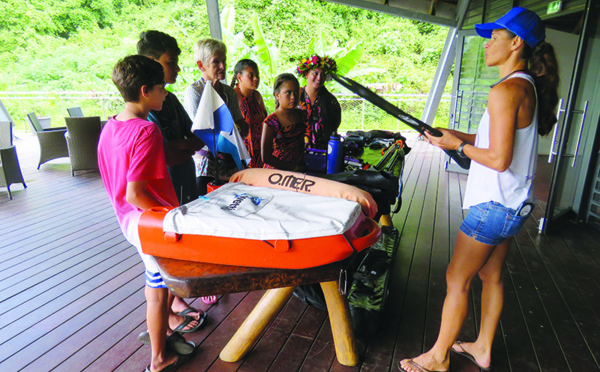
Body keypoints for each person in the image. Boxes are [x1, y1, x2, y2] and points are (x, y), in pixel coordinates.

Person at [399, 7, 559, 372]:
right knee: (491, 276)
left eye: (495, 37)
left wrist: (458, 147)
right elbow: (497, 141)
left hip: (493, 206)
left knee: (457, 277)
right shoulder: (523, 85)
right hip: (514, 204)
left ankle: (438, 358)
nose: (487, 44)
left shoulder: (506, 90)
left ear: (516, 43)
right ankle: (483, 347)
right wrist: (454, 138)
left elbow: (499, 157)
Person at [98, 55, 202, 372]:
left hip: (128, 221)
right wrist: (172, 217)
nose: (166, 93)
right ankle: (159, 358)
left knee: (160, 284)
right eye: (162, 88)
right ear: (146, 90)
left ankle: (165, 334)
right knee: (157, 291)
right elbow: (136, 193)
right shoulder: (146, 131)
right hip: (149, 224)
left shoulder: (111, 126)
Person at [136, 30, 210, 322]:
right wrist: (181, 146)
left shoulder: (170, 100)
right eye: (171, 61)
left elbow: (196, 138)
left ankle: (175, 300)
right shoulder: (145, 108)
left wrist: (179, 145)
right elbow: (163, 153)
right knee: (165, 246)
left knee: (179, 240)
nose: (178, 68)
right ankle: (168, 312)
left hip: (182, 175)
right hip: (161, 184)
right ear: (150, 62)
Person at [183, 38, 249, 195]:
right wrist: (230, 129)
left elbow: (242, 125)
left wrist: (233, 130)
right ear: (201, 65)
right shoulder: (194, 91)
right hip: (206, 163)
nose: (223, 66)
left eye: (224, 61)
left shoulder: (229, 92)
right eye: (216, 62)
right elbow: (200, 131)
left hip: (230, 158)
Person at [261, 73, 306, 171]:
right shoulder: (271, 121)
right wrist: (292, 168)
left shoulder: (301, 115)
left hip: (299, 170)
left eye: (296, 92)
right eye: (288, 92)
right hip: (277, 173)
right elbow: (265, 157)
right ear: (277, 95)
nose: (293, 97)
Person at [296, 54, 341, 150]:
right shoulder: (295, 97)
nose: (319, 78)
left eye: (323, 74)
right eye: (315, 73)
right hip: (297, 152)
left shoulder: (331, 101)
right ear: (306, 74)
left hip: (323, 153)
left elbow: (334, 127)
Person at [231, 59, 268, 168]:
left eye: (257, 75)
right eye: (251, 75)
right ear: (239, 77)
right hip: (243, 152)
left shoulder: (257, 96)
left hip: (260, 151)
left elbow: (265, 120)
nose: (256, 79)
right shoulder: (234, 96)